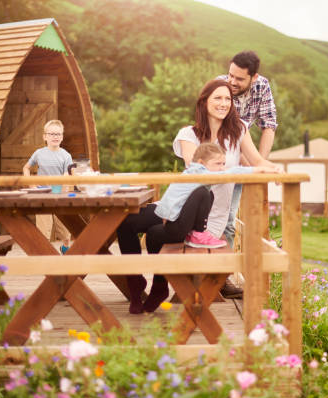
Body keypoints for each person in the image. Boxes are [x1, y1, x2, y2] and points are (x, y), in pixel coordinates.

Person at [117, 143, 279, 314]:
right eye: (218, 164)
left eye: (223, 164)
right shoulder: (197, 171)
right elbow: (175, 192)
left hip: (181, 221)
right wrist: (259, 169)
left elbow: (229, 173)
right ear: (201, 162)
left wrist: (260, 168)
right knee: (126, 223)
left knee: (153, 234)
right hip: (171, 214)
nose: (222, 168)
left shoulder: (204, 183)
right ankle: (135, 283)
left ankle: (158, 286)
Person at [173, 79, 282, 299]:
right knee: (192, 274)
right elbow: (197, 171)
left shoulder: (238, 130)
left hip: (217, 216)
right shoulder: (188, 135)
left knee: (207, 269)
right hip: (190, 214)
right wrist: (248, 172)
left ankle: (205, 291)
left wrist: (275, 169)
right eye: (218, 98)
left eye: (227, 99)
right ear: (204, 102)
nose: (224, 103)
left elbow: (257, 160)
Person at [218, 50, 278, 253]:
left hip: (242, 162)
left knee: (229, 220)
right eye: (230, 75)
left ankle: (221, 277)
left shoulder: (262, 86)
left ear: (254, 77)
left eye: (239, 79)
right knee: (217, 218)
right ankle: (212, 274)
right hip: (218, 160)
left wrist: (258, 162)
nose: (232, 81)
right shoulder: (219, 88)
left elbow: (269, 125)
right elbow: (223, 130)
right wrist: (248, 159)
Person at [23, 119, 73, 254]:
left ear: (62, 137)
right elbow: (26, 168)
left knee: (64, 228)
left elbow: (67, 175)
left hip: (60, 194)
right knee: (43, 227)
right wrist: (31, 184)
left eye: (58, 134)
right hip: (42, 194)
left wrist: (64, 188)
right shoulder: (39, 153)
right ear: (45, 136)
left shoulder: (66, 156)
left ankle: (65, 247)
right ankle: (44, 253)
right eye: (51, 134)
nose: (55, 137)